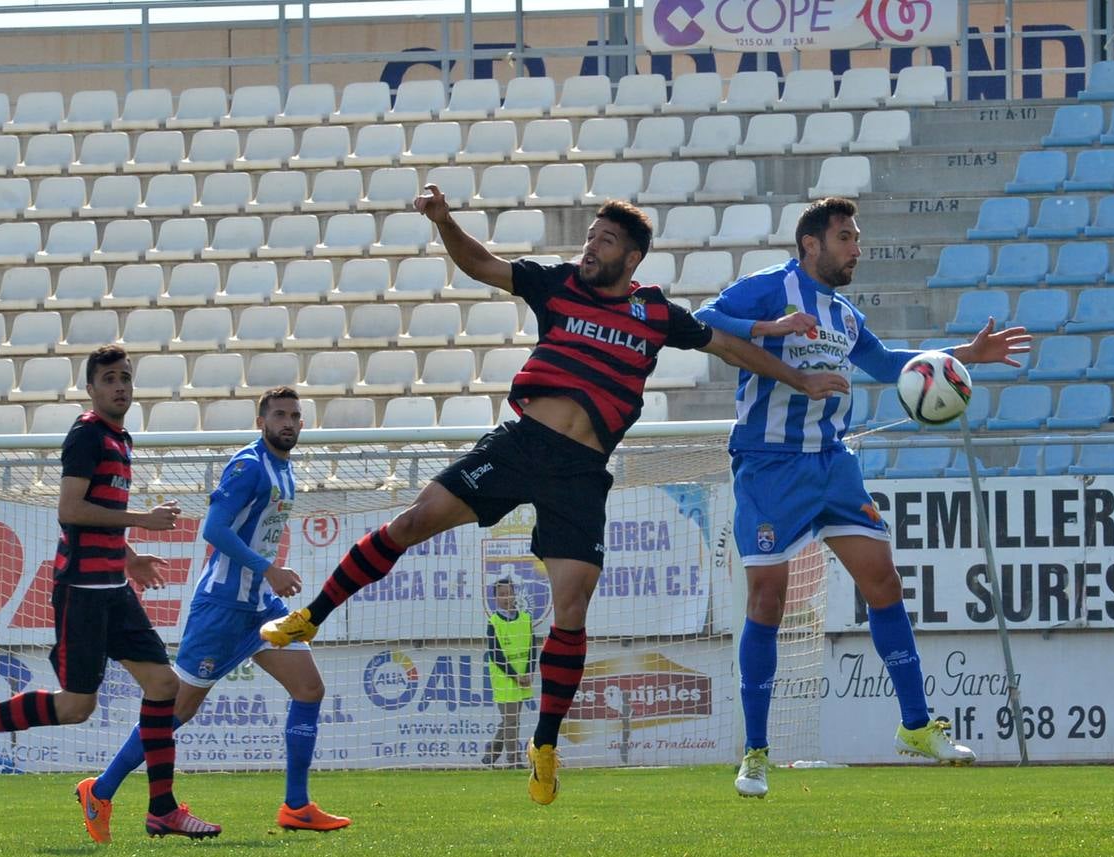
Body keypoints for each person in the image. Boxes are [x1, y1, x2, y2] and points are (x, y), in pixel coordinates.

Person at [259, 187, 844, 805]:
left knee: (571, 607)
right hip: (520, 447)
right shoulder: (557, 284)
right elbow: (483, 265)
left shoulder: (654, 314)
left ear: (634, 257)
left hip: (581, 473)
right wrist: (444, 220)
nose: (591, 247)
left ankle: (543, 745)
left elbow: (726, 346)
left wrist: (800, 378)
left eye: (606, 241)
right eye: (590, 237)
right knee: (412, 522)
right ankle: (311, 617)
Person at [694, 197, 1032, 798]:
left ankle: (916, 725)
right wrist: (769, 330)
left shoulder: (845, 316)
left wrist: (962, 356)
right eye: (846, 237)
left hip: (833, 465)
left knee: (884, 582)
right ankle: (755, 751)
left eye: (857, 238)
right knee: (768, 600)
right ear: (810, 244)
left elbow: (885, 364)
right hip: (768, 466)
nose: (856, 248)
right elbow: (701, 323)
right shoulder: (769, 289)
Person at [0, 345, 220, 838]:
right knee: (77, 707)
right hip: (82, 590)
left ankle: (161, 808)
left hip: (114, 587)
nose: (120, 386)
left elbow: (96, 516)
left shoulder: (121, 438)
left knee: (164, 686)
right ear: (92, 388)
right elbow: (70, 511)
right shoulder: (86, 435)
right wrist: (141, 520)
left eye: (125, 377)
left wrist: (130, 557)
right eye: (109, 379)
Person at [76, 386, 349, 842]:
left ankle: (297, 805)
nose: (288, 422)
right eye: (279, 414)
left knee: (309, 687)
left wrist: (267, 578)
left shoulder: (284, 469)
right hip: (222, 608)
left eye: (295, 416)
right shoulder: (248, 465)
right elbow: (214, 528)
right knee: (177, 712)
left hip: (260, 606)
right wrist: (269, 569)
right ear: (262, 421)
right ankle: (99, 791)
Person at [480, 576, 534, 768]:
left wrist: (529, 672)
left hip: (524, 678)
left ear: (515, 594)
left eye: (509, 593)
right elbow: (496, 656)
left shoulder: (526, 618)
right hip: (505, 679)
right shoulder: (494, 621)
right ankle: (513, 761)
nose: (506, 597)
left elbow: (532, 647)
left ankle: (491, 754)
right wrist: (515, 675)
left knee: (510, 720)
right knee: (511, 721)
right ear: (495, 598)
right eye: (501, 594)